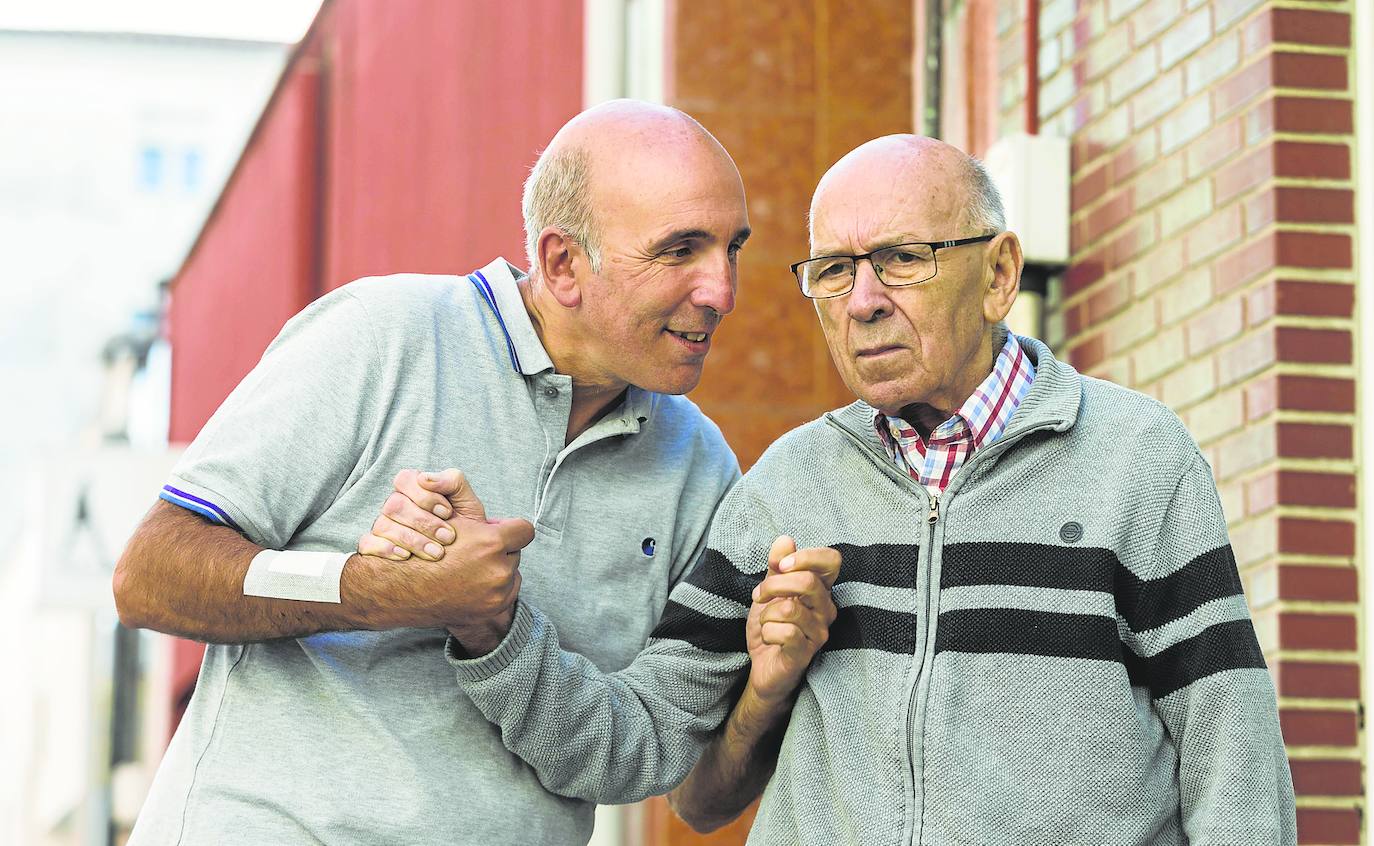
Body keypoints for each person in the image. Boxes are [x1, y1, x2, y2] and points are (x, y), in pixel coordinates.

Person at [377, 134, 1296, 844]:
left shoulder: (1136, 457)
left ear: (1000, 274)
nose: (861, 301)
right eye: (834, 271)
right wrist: (492, 628)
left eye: (902, 259)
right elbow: (652, 749)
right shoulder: (787, 487)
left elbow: (1232, 750)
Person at [112, 100, 834, 845]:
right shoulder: (381, 337)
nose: (722, 291)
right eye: (679, 250)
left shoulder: (700, 469)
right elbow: (152, 572)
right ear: (562, 264)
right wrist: (369, 590)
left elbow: (650, 759)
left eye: (732, 248)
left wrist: (494, 629)